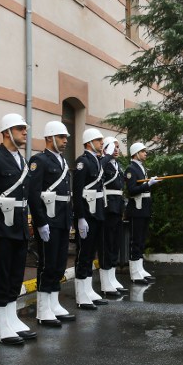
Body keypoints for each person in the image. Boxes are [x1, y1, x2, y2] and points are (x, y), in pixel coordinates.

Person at [0, 113, 36, 344]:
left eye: (24, 128)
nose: (24, 132)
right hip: (0, 230)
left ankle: (11, 319)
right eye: (20, 128)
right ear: (7, 132)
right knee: (0, 278)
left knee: (14, 277)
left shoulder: (21, 160)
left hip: (18, 227)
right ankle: (1, 326)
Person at [28, 120, 77, 326]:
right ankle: (43, 309)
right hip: (49, 220)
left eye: (66, 138)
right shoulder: (39, 161)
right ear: (49, 138)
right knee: (47, 265)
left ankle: (54, 302)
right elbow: (33, 194)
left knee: (58, 264)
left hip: (63, 219)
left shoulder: (62, 162)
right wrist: (40, 222)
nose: (65, 141)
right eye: (61, 137)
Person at [72, 128, 108, 309]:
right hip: (87, 213)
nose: (102, 143)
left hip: (97, 212)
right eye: (98, 140)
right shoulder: (82, 162)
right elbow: (77, 193)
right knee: (83, 254)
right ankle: (81, 295)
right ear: (89, 143)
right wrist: (80, 217)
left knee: (91, 252)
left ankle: (87, 289)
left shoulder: (97, 161)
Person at [125, 142, 161, 284]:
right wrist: (148, 185)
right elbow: (132, 190)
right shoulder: (131, 168)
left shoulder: (141, 167)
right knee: (135, 241)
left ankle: (140, 270)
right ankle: (134, 273)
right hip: (136, 209)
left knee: (141, 241)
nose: (146, 153)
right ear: (136, 153)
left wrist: (151, 183)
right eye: (143, 151)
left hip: (144, 208)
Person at [98, 136, 128, 296]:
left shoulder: (117, 165)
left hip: (117, 206)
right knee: (106, 244)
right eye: (113, 147)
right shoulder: (102, 162)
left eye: (117, 147)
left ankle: (112, 278)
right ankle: (105, 282)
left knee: (115, 244)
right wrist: (107, 156)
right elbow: (99, 172)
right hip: (107, 207)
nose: (116, 150)